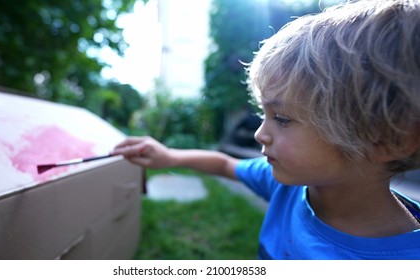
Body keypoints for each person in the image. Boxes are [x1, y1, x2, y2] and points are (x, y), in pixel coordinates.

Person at [112, 0, 420, 259]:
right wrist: (169, 157)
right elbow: (224, 163)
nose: (260, 133)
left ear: (387, 140)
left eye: (282, 118)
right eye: (264, 114)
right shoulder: (289, 188)